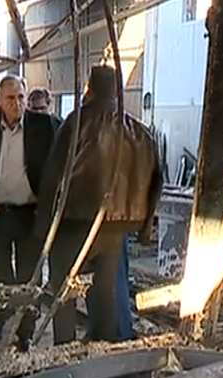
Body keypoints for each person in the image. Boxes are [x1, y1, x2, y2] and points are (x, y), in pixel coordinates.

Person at [35, 65, 162, 345]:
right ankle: (104, 351)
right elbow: (156, 178)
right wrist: (144, 228)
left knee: (64, 290)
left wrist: (43, 226)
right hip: (114, 229)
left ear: (89, 90)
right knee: (106, 293)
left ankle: (64, 349)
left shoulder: (75, 123)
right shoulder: (138, 130)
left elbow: (53, 174)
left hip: (74, 223)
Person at [0, 75, 58, 348]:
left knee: (29, 275)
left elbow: (59, 164)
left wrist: (49, 203)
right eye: (10, 98)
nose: (17, 103)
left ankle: (24, 333)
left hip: (30, 213)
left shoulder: (44, 125)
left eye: (20, 96)